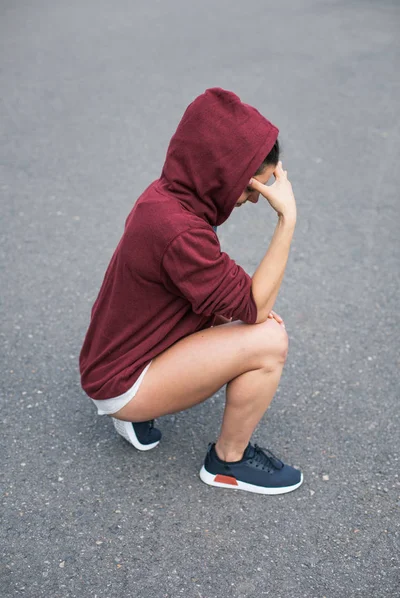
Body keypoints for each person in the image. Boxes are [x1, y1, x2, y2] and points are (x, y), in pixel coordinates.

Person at [79, 87, 303, 495]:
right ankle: (228, 462)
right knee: (269, 341)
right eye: (253, 187)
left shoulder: (166, 197)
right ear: (222, 172)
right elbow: (254, 307)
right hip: (123, 380)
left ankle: (138, 410)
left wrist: (243, 314)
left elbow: (226, 298)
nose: (254, 200)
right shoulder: (179, 230)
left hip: (116, 356)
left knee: (248, 320)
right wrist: (286, 220)